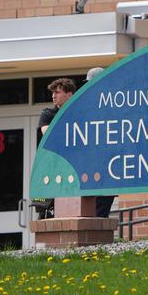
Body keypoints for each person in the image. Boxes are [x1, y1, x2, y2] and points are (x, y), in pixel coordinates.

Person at [33, 77, 77, 219]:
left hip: (71, 166)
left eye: (57, 92)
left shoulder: (78, 113)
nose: (53, 96)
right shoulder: (48, 113)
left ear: (69, 94)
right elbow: (48, 134)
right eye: (53, 93)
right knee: (44, 210)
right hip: (50, 168)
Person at [84, 67, 117, 218]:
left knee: (100, 213)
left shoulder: (112, 103)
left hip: (107, 168)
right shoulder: (87, 105)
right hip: (89, 170)